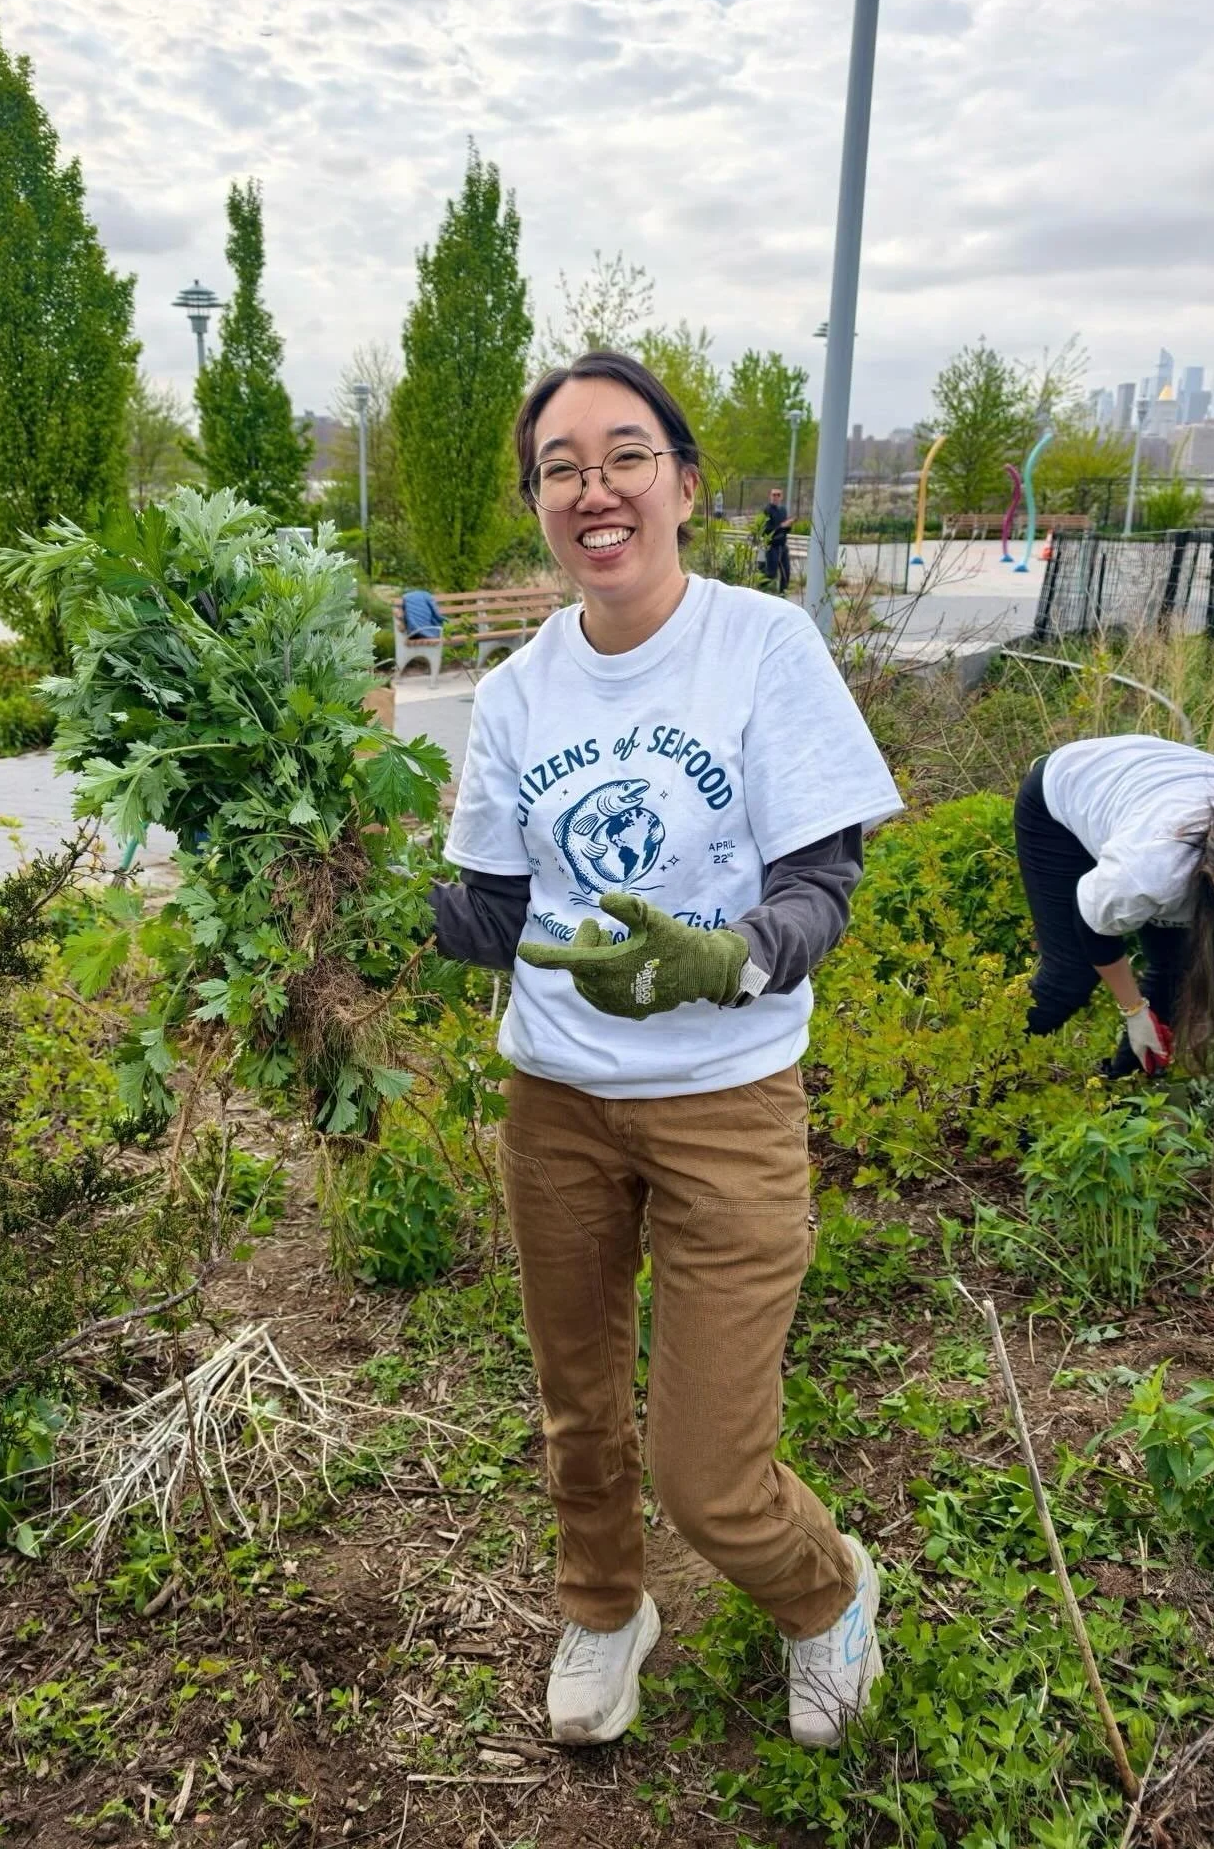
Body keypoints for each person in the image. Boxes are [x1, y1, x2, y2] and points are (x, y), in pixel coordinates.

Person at [428, 350, 903, 1751]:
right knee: (579, 1406)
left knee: (710, 1469)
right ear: (541, 507)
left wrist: (730, 955)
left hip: (728, 1099)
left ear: (684, 485)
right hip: (557, 1101)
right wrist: (325, 884)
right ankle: (603, 1605)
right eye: (562, 467)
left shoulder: (762, 647)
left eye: (625, 454)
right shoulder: (516, 694)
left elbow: (822, 884)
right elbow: (498, 914)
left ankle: (826, 1599)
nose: (596, 488)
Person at [1015, 733, 1214, 1075]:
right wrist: (1134, 1010)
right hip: (1067, 792)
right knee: (1070, 976)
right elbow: (1092, 923)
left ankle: (1123, 1089)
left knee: (1175, 970)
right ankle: (985, 1072)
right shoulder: (1150, 874)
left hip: (1155, 787)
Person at [762, 486, 792, 593]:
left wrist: (788, 525)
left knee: (786, 572)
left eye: (778, 495)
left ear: (781, 497)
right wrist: (781, 526)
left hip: (782, 545)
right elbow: (766, 530)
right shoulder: (767, 510)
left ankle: (783, 594)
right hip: (772, 545)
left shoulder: (783, 510)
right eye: (774, 495)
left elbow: (786, 529)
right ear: (770, 496)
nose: (776, 497)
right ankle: (762, 590)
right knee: (771, 573)